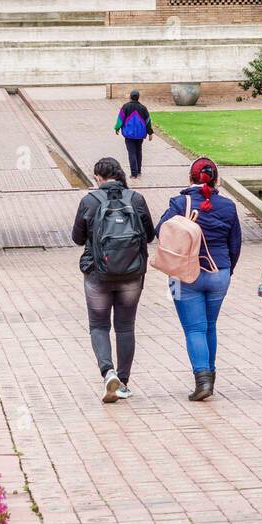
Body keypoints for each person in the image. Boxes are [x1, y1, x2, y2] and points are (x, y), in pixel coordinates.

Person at [70, 157, 155, 403]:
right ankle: (124, 381)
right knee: (125, 327)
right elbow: (149, 236)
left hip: (98, 273)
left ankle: (108, 372)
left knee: (99, 326)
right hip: (132, 273)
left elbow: (77, 238)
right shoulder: (136, 199)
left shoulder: (89, 201)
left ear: (98, 177)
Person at [157, 157, 242, 401]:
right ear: (216, 179)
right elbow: (234, 244)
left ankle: (203, 379)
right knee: (210, 326)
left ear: (190, 177)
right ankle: (210, 376)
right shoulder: (228, 206)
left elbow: (160, 231)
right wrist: (227, 270)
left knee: (195, 328)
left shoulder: (179, 202)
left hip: (185, 273)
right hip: (219, 272)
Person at [114, 90, 154, 179]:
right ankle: (139, 171)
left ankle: (134, 173)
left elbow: (120, 119)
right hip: (140, 135)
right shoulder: (143, 108)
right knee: (138, 151)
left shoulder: (125, 107)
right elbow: (148, 121)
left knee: (131, 153)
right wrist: (150, 133)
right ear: (138, 97)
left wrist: (117, 128)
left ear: (130, 97)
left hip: (129, 135)